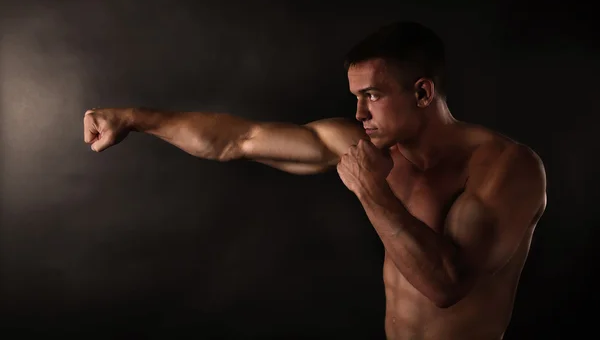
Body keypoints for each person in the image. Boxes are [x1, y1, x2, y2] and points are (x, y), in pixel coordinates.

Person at [83, 21, 546, 339]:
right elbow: (238, 140)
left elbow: (446, 286)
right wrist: (133, 118)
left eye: (372, 96)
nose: (359, 113)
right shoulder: (371, 146)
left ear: (423, 92)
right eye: (356, 97)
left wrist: (371, 191)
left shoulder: (506, 167)